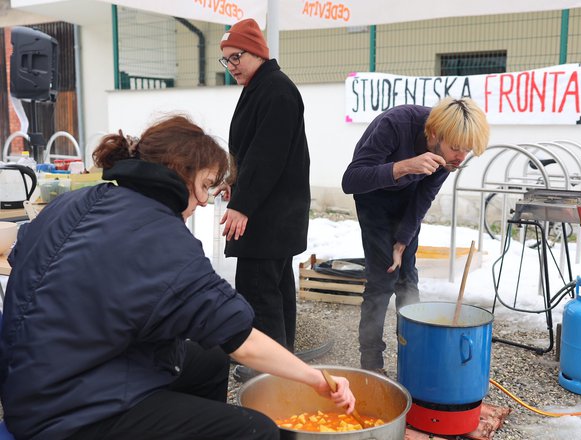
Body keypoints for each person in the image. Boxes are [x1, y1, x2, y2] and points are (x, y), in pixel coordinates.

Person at [0, 115, 354, 440]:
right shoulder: (164, 238)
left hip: (30, 384)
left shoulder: (75, 201)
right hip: (69, 416)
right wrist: (317, 380)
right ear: (181, 173)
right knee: (255, 431)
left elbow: (25, 263)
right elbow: (241, 340)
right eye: (206, 185)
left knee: (209, 358)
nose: (203, 201)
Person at [341, 98, 490, 373]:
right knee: (382, 280)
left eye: (466, 150)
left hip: (407, 198)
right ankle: (371, 365)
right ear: (434, 134)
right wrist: (405, 166)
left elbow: (425, 195)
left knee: (408, 280)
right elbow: (351, 180)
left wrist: (403, 240)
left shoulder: (449, 157)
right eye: (455, 148)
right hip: (372, 196)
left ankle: (414, 357)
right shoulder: (396, 124)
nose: (459, 156)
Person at [218, 19, 310, 360]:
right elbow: (254, 150)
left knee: (259, 292)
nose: (231, 67)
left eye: (236, 57)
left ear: (257, 52)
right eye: (226, 60)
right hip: (273, 212)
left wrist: (242, 204)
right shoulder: (263, 87)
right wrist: (233, 183)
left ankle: (271, 373)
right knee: (276, 288)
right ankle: (284, 364)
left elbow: (267, 156)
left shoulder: (276, 90)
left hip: (270, 214)